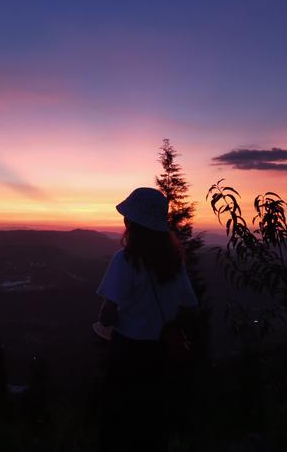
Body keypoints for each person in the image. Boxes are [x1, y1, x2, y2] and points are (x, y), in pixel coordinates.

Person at [95, 187, 198, 452]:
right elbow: (189, 305)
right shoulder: (175, 262)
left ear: (133, 223)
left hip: (127, 353)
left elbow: (107, 313)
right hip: (161, 353)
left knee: (119, 425)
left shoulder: (125, 260)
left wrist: (105, 325)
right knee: (152, 426)